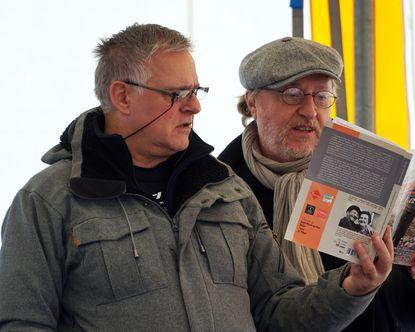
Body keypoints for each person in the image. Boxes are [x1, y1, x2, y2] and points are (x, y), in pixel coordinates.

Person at [0, 24, 394, 331]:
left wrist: (350, 289)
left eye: (197, 90)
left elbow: (277, 312)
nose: (195, 106)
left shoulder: (227, 190)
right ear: (122, 96)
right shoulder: (49, 200)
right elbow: (21, 322)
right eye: (177, 94)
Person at [219, 36, 415, 331]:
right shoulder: (222, 194)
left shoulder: (376, 170)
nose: (309, 111)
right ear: (252, 103)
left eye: (321, 96)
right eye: (292, 94)